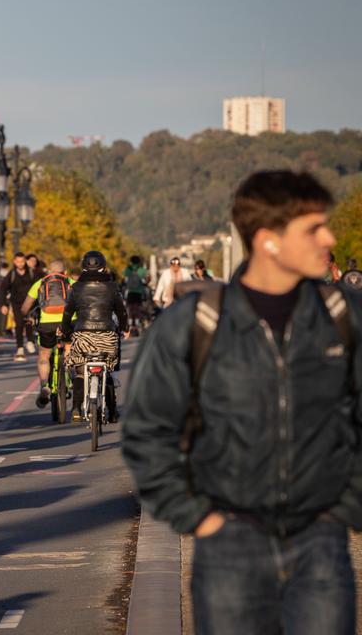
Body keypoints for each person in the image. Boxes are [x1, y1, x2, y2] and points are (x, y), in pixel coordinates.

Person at [124, 170, 362, 635]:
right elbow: (146, 429)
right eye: (314, 228)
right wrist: (199, 518)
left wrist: (347, 506)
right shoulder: (195, 323)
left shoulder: (344, 316)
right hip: (229, 544)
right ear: (269, 240)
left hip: (321, 540)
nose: (329, 238)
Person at [59, 252, 127, 422]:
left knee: (80, 372)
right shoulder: (112, 287)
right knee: (108, 371)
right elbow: (121, 312)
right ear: (104, 267)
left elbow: (67, 314)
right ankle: (112, 411)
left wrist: (66, 332)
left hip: (83, 336)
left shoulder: (76, 288)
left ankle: (75, 408)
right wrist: (125, 328)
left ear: (83, 267)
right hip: (107, 336)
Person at [23, 260, 74, 409]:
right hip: (68, 323)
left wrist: (28, 317)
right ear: (65, 271)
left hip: (46, 324)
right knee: (69, 347)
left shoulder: (40, 283)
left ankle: (45, 384)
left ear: (48, 271)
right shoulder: (71, 282)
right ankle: (71, 373)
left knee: (44, 355)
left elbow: (25, 307)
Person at [0, 253, 37, 360]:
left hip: (30, 302)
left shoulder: (31, 273)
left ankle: (30, 341)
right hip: (16, 303)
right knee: (19, 324)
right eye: (18, 261)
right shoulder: (11, 274)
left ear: (25, 261)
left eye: (22, 261)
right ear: (14, 262)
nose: (20, 264)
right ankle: (20, 347)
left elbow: (38, 286)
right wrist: (3, 304)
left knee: (29, 322)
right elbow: (3, 289)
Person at [122, 255, 150, 334]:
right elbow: (147, 279)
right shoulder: (142, 270)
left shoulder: (128, 269)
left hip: (129, 291)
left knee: (130, 308)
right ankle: (137, 324)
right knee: (137, 308)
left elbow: (124, 278)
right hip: (139, 292)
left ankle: (130, 324)